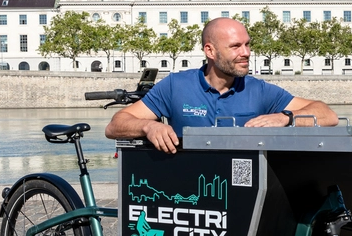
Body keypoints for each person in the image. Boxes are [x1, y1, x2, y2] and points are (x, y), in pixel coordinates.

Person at [104, 17, 338, 153]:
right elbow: (115, 125)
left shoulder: (259, 90)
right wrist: (149, 127)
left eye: (247, 45)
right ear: (210, 51)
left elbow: (327, 115)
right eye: (236, 47)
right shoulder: (176, 85)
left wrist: (285, 117)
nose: (246, 53)